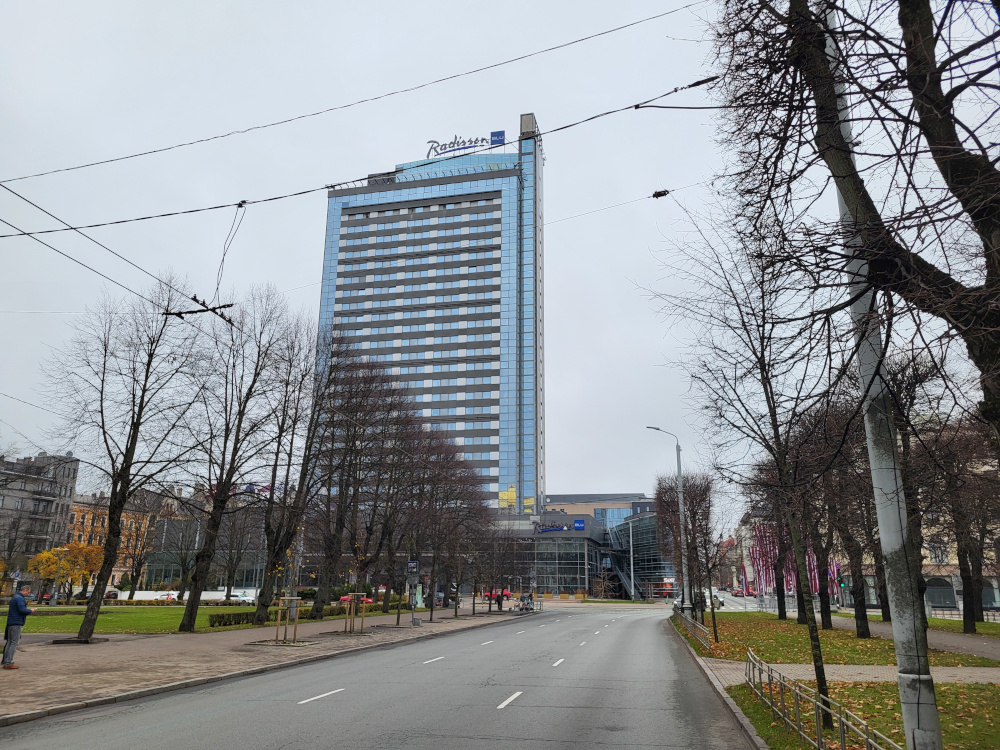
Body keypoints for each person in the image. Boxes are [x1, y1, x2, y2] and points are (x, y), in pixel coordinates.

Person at [3, 584, 36, 670]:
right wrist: (30, 611)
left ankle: (6, 661)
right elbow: (22, 610)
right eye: (28, 592)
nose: (28, 594)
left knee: (9, 642)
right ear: (24, 591)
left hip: (11, 622)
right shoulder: (20, 599)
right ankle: (8, 662)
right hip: (16, 623)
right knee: (14, 643)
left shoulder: (15, 597)